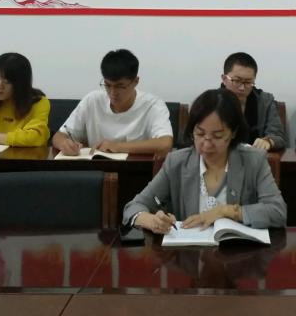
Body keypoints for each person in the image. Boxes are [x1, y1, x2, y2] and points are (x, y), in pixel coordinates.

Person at [123, 88, 287, 231]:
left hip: (239, 253)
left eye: (217, 136)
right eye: (200, 133)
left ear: (234, 132)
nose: (206, 144)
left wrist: (226, 211)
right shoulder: (177, 162)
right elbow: (133, 208)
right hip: (190, 254)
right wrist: (153, 221)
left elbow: (278, 212)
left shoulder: (254, 160)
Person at [52, 49, 173, 156]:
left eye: (120, 86)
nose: (112, 92)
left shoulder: (153, 105)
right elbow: (59, 136)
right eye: (107, 85)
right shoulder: (92, 100)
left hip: (137, 170)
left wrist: (117, 146)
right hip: (95, 169)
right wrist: (64, 144)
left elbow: (165, 144)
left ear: (136, 82)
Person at [220, 52, 287, 151]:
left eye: (248, 82)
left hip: (255, 157)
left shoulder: (265, 101)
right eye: (236, 81)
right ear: (224, 79)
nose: (242, 88)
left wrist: (268, 141)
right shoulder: (211, 102)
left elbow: (278, 136)